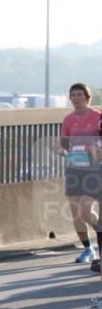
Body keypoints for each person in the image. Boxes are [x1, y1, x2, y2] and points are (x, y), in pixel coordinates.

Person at [54, 82, 101, 267]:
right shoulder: (68, 119)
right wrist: (59, 149)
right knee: (76, 213)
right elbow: (65, 145)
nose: (76, 98)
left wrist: (94, 149)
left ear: (88, 98)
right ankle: (88, 248)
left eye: (80, 95)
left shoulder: (98, 117)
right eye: (73, 95)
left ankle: (100, 236)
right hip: (75, 168)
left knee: (85, 209)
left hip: (95, 170)